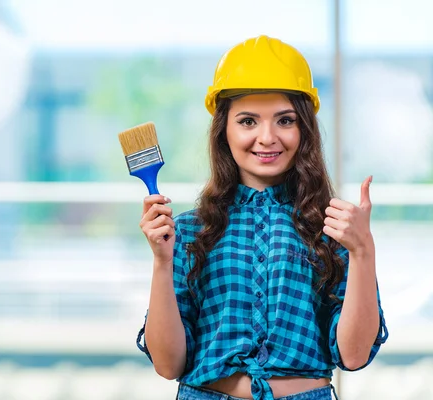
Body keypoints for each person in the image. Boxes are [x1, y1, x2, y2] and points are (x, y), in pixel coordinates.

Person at [135, 35, 388, 400]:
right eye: (248, 121)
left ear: (304, 130)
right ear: (224, 130)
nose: (266, 137)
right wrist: (162, 261)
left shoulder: (335, 227)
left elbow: (353, 355)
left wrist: (363, 251)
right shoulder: (189, 230)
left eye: (284, 120)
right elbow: (168, 364)